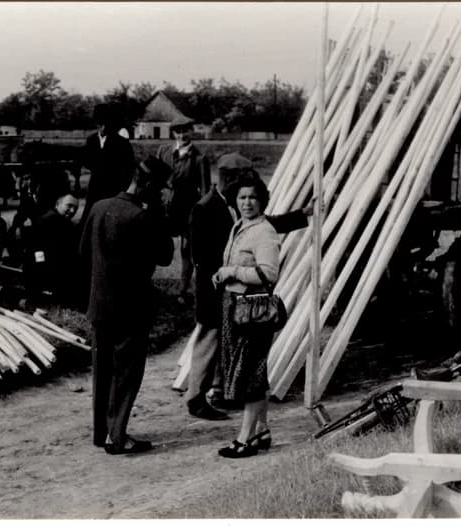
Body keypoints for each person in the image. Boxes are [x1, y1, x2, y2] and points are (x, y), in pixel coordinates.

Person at [186, 152, 314, 421]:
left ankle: (220, 392)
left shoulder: (234, 204)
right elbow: (200, 256)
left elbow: (265, 225)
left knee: (226, 345)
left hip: (231, 292)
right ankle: (196, 398)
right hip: (214, 291)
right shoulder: (205, 207)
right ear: (228, 177)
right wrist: (227, 275)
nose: (246, 192)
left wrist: (301, 215)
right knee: (207, 345)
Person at [79, 155, 173, 455]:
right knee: (126, 374)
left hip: (99, 305)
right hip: (130, 309)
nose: (159, 194)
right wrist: (158, 212)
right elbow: (165, 255)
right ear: (146, 185)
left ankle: (102, 433)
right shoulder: (141, 217)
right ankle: (116, 437)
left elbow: (82, 252)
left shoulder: (98, 207)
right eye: (158, 189)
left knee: (102, 371)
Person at [211, 174, 280, 459]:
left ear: (262, 200)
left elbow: (269, 274)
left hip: (252, 311)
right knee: (254, 370)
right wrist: (222, 274)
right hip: (235, 308)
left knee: (250, 371)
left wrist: (232, 272)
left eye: (252, 197)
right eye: (242, 197)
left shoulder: (264, 231)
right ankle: (262, 429)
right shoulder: (241, 226)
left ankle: (245, 439)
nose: (247, 202)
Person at [156, 115, 211, 303]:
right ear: (173, 133)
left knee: (188, 250)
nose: (182, 135)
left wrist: (201, 214)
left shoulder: (199, 158)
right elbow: (154, 181)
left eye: (186, 130)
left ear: (192, 131)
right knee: (153, 243)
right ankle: (146, 284)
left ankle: (182, 290)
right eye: (178, 131)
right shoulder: (163, 151)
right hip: (165, 209)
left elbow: (205, 192)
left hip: (188, 210)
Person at [21, 193, 81, 306]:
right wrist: (42, 267)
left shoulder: (67, 224)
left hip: (54, 266)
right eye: (69, 206)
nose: (72, 210)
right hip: (40, 267)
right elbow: (36, 248)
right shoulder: (47, 220)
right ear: (58, 204)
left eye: (75, 208)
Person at [80, 103, 136, 223]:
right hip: (94, 188)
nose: (104, 128)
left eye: (107, 124)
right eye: (101, 124)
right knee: (89, 219)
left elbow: (129, 170)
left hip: (113, 189)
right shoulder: (91, 140)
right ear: (97, 124)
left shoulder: (122, 143)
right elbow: (87, 160)